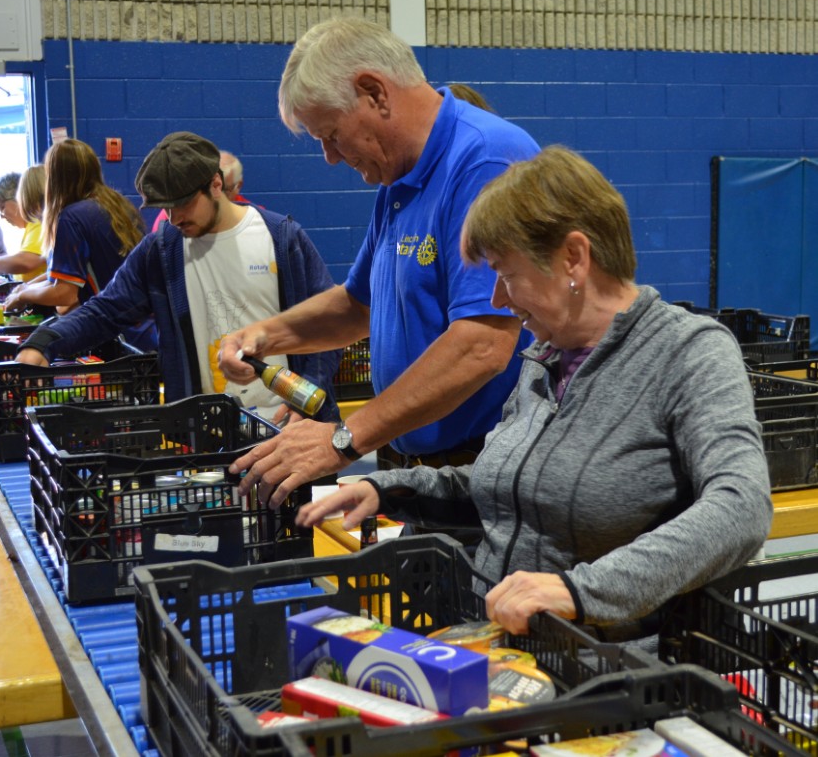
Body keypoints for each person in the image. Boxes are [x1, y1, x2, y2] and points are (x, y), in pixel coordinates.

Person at [297, 145, 773, 643]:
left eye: (505, 274)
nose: (498, 299)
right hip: (500, 640)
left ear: (573, 257)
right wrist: (388, 489)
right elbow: (506, 487)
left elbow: (741, 506)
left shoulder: (689, 351)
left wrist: (580, 591)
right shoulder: (545, 354)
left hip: (606, 665)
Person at [219, 16, 539, 508]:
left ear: (374, 92)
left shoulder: (485, 160)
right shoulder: (399, 182)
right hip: (422, 469)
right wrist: (265, 336)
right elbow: (358, 305)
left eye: (331, 134)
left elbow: (483, 345)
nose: (329, 156)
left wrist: (345, 438)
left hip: (488, 479)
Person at [15, 131, 342, 423]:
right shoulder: (161, 250)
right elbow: (105, 311)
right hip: (208, 435)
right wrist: (44, 344)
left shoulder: (282, 239)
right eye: (164, 207)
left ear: (216, 184)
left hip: (290, 429)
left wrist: (309, 395)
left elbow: (327, 324)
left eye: (182, 203)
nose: (173, 218)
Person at [3, 139, 145, 316]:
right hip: (139, 317)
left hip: (114, 323)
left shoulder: (72, 217)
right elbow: (59, 279)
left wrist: (22, 296)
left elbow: (65, 295)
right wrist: (26, 290)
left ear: (54, 178)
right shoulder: (117, 203)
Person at [0, 169, 46, 281]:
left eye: (1, 208)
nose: (1, 216)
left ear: (18, 198)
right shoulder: (30, 226)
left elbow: (27, 261)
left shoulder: (38, 222)